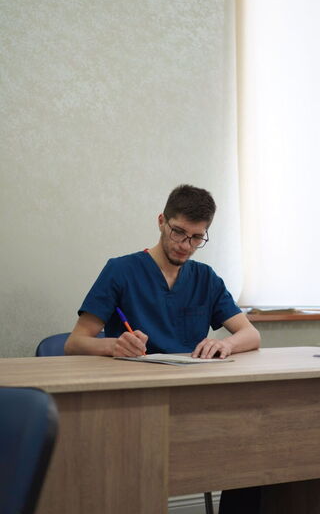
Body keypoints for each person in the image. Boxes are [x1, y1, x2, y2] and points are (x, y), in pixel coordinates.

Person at [65, 184, 261, 513]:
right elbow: (75, 343)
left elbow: (251, 334)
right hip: (136, 405)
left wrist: (224, 343)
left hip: (194, 401)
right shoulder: (121, 270)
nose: (185, 245)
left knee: (253, 452)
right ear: (161, 221)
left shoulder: (205, 278)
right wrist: (114, 345)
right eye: (178, 232)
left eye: (196, 238)